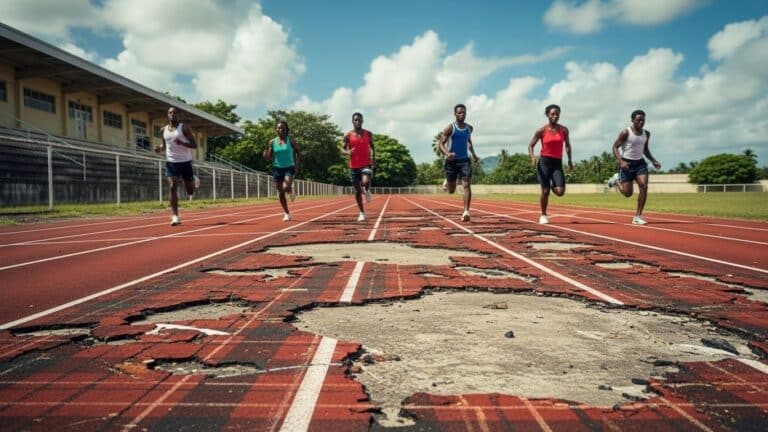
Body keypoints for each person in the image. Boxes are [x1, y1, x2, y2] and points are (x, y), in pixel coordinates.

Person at [608, 109, 662, 225]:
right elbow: (614, 147)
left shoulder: (646, 134)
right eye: (639, 120)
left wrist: (653, 160)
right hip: (626, 164)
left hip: (640, 164)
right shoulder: (625, 133)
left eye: (643, 120)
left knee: (644, 186)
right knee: (628, 194)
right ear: (633, 120)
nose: (641, 122)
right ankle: (616, 179)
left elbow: (645, 149)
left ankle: (638, 216)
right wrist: (621, 161)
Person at [528, 104, 573, 224]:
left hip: (557, 163)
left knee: (560, 192)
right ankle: (543, 214)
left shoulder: (564, 130)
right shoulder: (541, 130)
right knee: (545, 191)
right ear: (547, 115)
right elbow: (531, 146)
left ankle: (551, 184)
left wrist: (570, 161)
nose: (555, 116)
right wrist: (532, 157)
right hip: (544, 162)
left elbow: (567, 146)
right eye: (553, 114)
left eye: (557, 114)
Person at [154, 106, 199, 226]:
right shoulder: (163, 130)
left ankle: (193, 180)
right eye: (170, 112)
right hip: (171, 162)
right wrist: (159, 149)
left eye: (175, 113)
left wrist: (182, 142)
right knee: (173, 185)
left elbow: (194, 145)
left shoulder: (183, 128)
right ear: (167, 115)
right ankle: (175, 216)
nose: (172, 114)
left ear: (178, 115)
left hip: (185, 162)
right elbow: (165, 145)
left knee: (190, 192)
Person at [439, 103, 479, 222]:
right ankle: (448, 180)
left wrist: (474, 154)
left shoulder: (469, 128)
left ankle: (466, 211)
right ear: (455, 114)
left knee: (466, 185)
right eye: (459, 113)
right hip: (451, 162)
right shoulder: (450, 128)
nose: (462, 114)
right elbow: (440, 144)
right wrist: (448, 154)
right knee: (451, 190)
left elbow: (469, 141)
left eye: (464, 113)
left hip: (464, 161)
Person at [263, 120, 300, 221]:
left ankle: (290, 188)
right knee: (280, 192)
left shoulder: (291, 140)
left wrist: (297, 165)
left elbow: (298, 152)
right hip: (277, 168)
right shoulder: (272, 142)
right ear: (276, 129)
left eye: (282, 128)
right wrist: (266, 156)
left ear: (286, 130)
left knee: (285, 187)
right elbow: (269, 157)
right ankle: (287, 213)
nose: (280, 130)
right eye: (278, 128)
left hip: (289, 167)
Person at [341, 112, 375, 222]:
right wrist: (347, 152)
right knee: (357, 191)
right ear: (352, 121)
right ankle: (362, 213)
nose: (357, 122)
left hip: (366, 163)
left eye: (359, 120)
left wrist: (373, 158)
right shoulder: (347, 135)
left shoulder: (368, 134)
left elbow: (373, 147)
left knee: (365, 182)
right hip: (353, 166)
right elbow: (341, 149)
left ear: (362, 121)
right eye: (355, 120)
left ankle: (367, 189)